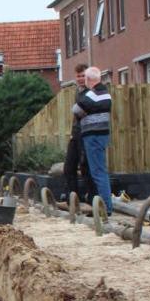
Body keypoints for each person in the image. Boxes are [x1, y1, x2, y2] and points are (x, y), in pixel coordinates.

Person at [73, 67, 113, 213]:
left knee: (98, 172)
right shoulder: (106, 93)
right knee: (100, 170)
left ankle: (105, 208)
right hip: (103, 134)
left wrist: (84, 114)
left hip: (93, 135)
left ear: (88, 80)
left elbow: (76, 109)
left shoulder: (92, 94)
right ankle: (104, 205)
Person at [62, 63, 91, 201]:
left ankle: (91, 198)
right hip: (76, 131)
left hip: (86, 133)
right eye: (78, 76)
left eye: (83, 76)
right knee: (69, 166)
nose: (80, 79)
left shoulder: (91, 92)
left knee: (85, 166)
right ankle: (72, 197)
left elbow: (84, 112)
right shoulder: (78, 91)